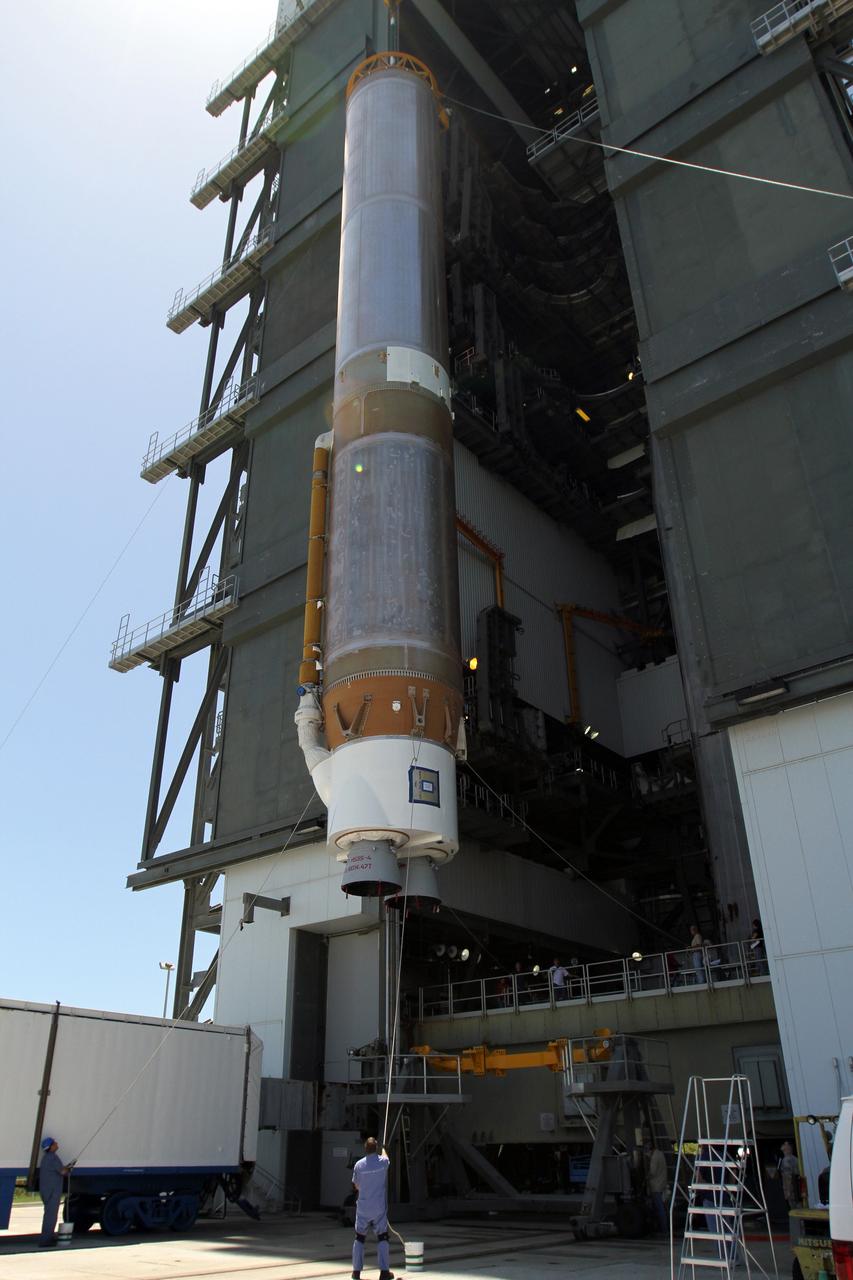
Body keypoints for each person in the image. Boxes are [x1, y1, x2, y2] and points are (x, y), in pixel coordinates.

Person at [351, 1137, 393, 1280]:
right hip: (379, 1207)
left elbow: (356, 1186)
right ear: (375, 1148)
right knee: (382, 1237)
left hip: (363, 1206)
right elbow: (387, 1158)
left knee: (359, 1238)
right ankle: (384, 1272)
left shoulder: (358, 1165)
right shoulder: (383, 1162)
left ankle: (356, 1272)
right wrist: (384, 1149)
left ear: (365, 1148)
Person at [38, 1137, 72, 1247]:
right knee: (51, 1216)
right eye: (54, 1143)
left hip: (46, 1191)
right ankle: (46, 1240)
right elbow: (62, 1171)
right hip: (53, 1191)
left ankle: (48, 1237)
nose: (56, 1143)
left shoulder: (46, 1158)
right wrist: (69, 1169)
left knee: (48, 1214)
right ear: (51, 1146)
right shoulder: (53, 1158)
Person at [645, 1140, 669, 1234]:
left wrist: (646, 1177)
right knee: (663, 1207)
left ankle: (663, 1229)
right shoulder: (660, 1154)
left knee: (659, 1208)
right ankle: (665, 1228)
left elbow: (653, 1172)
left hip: (656, 1186)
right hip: (662, 1183)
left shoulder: (654, 1157)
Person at [778, 1140, 800, 1209]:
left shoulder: (787, 1160)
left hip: (792, 1189)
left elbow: (789, 1177)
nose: (783, 1145)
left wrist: (788, 1191)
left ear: (789, 1147)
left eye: (785, 1144)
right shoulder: (793, 1159)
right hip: (793, 1188)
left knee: (794, 1207)